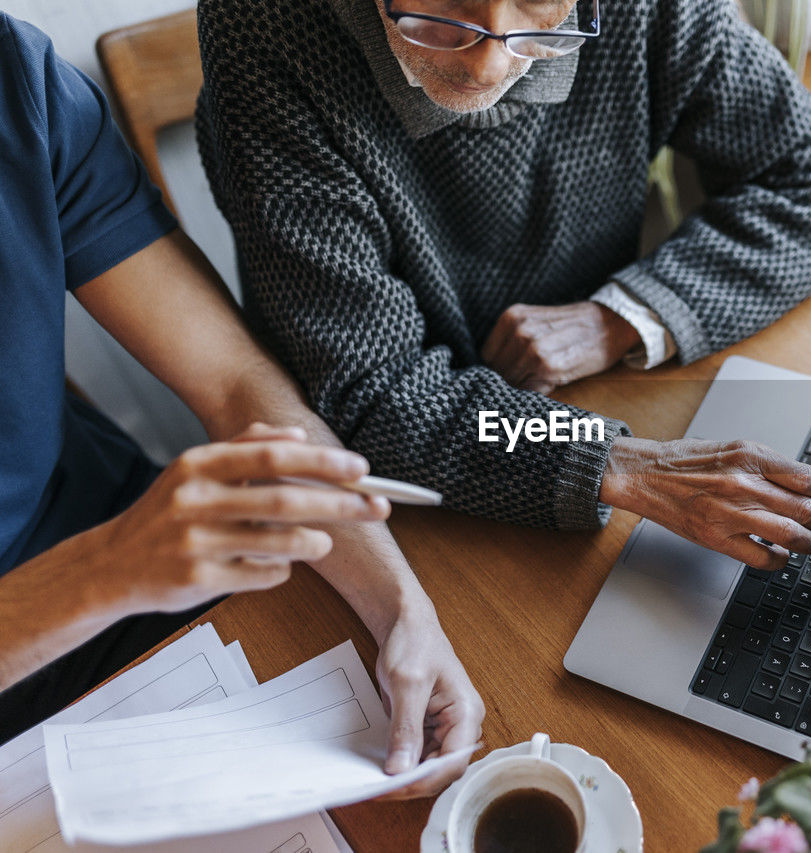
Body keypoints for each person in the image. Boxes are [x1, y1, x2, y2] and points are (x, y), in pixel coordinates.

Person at [195, 0, 811, 570]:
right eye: (446, 6)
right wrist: (617, 462)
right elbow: (376, 395)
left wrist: (619, 319)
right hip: (381, 499)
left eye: (540, 7)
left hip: (594, 399)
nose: (489, 63)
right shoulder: (261, 23)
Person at [0, 11, 482, 797]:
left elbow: (227, 376)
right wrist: (103, 571)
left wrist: (399, 606)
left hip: (130, 558)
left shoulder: (13, 75)